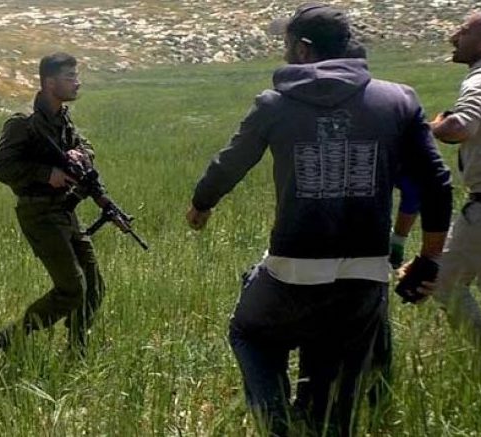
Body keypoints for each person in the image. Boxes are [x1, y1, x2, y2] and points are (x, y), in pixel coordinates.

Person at [186, 4, 452, 436]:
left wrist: (201, 204)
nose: (284, 53)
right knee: (334, 405)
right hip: (366, 272)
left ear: (304, 50)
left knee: (250, 333)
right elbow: (436, 182)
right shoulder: (398, 100)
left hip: (292, 267)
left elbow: (230, 163)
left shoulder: (275, 104)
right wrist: (429, 259)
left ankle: (276, 423)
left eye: (287, 45)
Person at [0, 52, 105, 356]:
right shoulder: (23, 122)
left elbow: (84, 144)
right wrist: (45, 174)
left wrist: (82, 155)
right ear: (50, 83)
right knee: (72, 289)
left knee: (93, 286)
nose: (77, 83)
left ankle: (76, 350)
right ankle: (11, 337)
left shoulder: (62, 116)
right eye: (70, 77)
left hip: (65, 209)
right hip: (38, 212)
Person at [429, 11, 481, 361]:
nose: (454, 37)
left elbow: (459, 128)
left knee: (442, 280)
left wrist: (433, 126)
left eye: (462, 32)